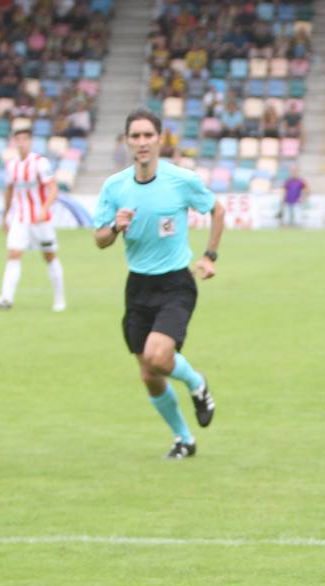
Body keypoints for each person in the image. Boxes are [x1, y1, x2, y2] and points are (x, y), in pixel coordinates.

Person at [93, 109, 225, 460]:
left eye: (147, 135)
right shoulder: (115, 186)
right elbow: (100, 239)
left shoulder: (180, 180)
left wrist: (209, 256)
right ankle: (184, 439)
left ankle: (197, 382)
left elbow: (217, 210)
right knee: (149, 374)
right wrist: (116, 227)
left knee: (158, 355)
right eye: (134, 136)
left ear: (159, 139)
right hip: (137, 286)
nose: (141, 142)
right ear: (126, 142)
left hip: (175, 284)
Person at [0, 128, 66, 312]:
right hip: (20, 218)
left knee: (49, 256)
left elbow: (53, 189)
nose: (22, 143)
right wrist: (5, 216)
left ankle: (59, 299)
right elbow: (9, 190)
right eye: (18, 139)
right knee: (13, 254)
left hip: (41, 219)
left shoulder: (40, 163)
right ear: (14, 142)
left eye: (25, 139)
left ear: (30, 142)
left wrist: (44, 209)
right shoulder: (11, 165)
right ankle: (6, 298)